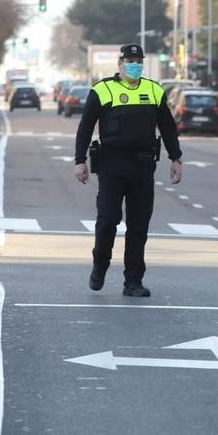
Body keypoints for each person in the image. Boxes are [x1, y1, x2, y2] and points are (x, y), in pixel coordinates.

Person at [74, 44, 182, 297]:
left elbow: (167, 127)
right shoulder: (103, 90)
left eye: (138, 60)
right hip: (112, 164)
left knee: (139, 226)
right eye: (130, 60)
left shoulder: (153, 90)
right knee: (108, 220)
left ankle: (133, 281)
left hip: (143, 166)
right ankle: (100, 266)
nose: (135, 64)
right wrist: (80, 161)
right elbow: (86, 126)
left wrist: (176, 158)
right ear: (120, 64)